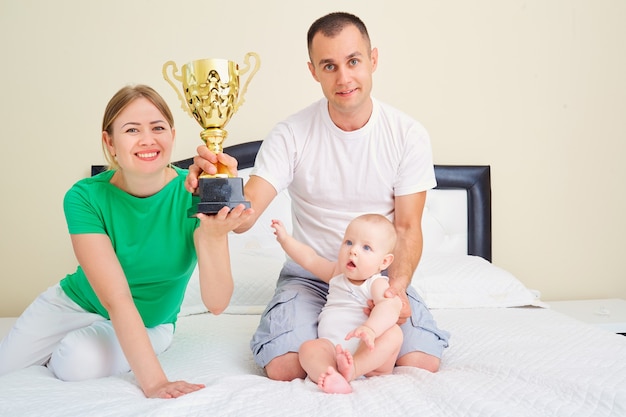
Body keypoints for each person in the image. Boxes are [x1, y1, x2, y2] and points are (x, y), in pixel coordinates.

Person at [185, 11, 450, 381]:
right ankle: (344, 362)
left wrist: (396, 289)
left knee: (422, 362)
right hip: (309, 275)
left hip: (377, 277)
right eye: (329, 66)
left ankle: (350, 365)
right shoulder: (291, 133)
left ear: (373, 59)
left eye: (353, 61)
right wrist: (220, 182)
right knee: (284, 367)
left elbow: (407, 227)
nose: (343, 78)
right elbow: (245, 219)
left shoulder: (408, 135)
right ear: (313, 71)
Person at [0, 85, 253, 399]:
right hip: (73, 305)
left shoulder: (192, 192)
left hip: (150, 324)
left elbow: (217, 304)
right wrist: (156, 383)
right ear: (110, 142)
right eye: (132, 130)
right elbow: (116, 297)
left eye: (157, 128)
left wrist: (214, 236)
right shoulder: (84, 196)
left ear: (172, 135)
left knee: (74, 362)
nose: (147, 139)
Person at [271, 214, 402, 394]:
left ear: (384, 261)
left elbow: (391, 307)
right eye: (349, 242)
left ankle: (354, 368)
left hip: (369, 354)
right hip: (333, 348)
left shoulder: (376, 283)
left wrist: (371, 329)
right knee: (309, 348)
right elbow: (310, 259)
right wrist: (285, 240)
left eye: (366, 247)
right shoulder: (336, 274)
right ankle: (331, 374)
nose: (353, 251)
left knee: (394, 333)